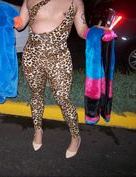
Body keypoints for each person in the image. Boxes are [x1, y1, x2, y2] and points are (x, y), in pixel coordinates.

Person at [13, 0, 116, 158]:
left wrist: (96, 32)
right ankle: (38, 130)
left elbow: (82, 30)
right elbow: (20, 24)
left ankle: (76, 136)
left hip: (59, 58)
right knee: (36, 94)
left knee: (62, 98)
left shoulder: (75, 2)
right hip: (32, 55)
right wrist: (4, 14)